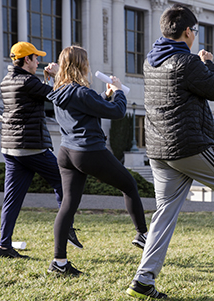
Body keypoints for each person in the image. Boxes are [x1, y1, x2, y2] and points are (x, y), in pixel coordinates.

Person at [126, 4, 214, 300]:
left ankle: (143, 279)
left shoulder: (150, 62)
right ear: (188, 31)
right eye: (195, 31)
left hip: (158, 150)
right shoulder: (189, 63)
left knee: (164, 215)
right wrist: (209, 63)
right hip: (188, 146)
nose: (196, 36)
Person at [46, 45, 148, 275]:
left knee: (68, 205)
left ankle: (59, 263)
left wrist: (107, 95)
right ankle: (142, 234)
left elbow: (87, 107)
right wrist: (119, 91)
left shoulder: (59, 91)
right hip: (89, 151)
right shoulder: (81, 91)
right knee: (129, 185)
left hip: (66, 153)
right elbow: (116, 112)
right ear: (82, 65)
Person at [0, 41, 83, 260]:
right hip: (31, 147)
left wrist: (45, 79)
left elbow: (36, 97)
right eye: (36, 58)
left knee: (11, 200)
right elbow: (58, 95)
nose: (38, 62)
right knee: (64, 183)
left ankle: (4, 247)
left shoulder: (7, 80)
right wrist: (56, 74)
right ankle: (67, 226)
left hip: (11, 148)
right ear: (27, 60)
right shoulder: (27, 81)